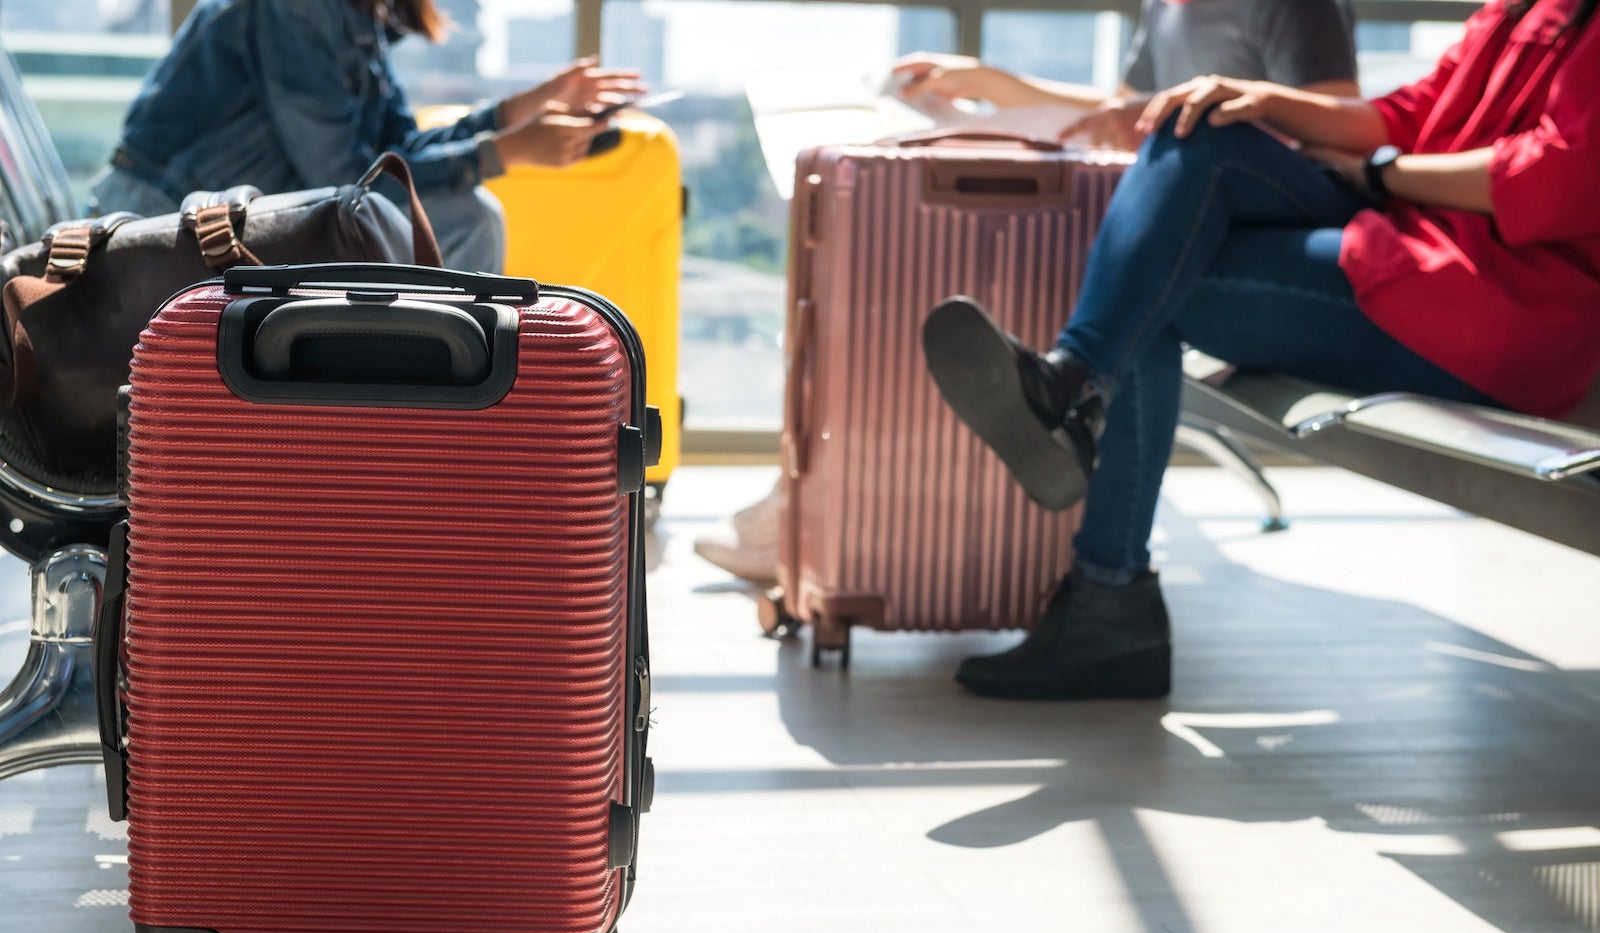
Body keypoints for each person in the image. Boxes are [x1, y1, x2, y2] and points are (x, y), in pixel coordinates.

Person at [918, 0, 1600, 701]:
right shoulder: (1527, 5)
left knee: (1151, 283)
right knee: (1198, 134)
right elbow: (1413, 110)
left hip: (1494, 312)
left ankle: (1097, 536)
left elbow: (1557, 177)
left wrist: (1379, 176)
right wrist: (1261, 101)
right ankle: (1071, 398)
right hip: (1420, 253)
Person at [693, 0, 1359, 584]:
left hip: (1283, 219)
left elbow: (1341, 132)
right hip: (1200, 213)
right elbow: (1116, 110)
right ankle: (1098, 576)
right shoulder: (1168, 5)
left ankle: (1062, 389)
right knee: (994, 265)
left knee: (1130, 258)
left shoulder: (1294, 4)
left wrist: (1192, 119)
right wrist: (992, 87)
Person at [88, 0, 643, 272]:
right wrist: (506, 151)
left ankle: (427, 420)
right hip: (163, 226)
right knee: (473, 215)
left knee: (471, 212)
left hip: (232, 223)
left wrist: (517, 114)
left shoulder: (356, 19)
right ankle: (443, 423)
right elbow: (346, 177)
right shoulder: (299, 8)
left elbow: (393, 152)